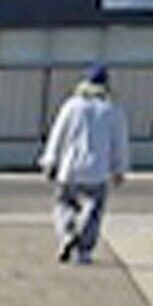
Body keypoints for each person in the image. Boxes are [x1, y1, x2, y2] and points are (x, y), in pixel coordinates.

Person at [40, 65, 130, 265]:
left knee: (63, 204)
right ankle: (84, 250)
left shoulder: (72, 106)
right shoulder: (112, 109)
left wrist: (50, 161)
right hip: (97, 170)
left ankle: (67, 234)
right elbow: (119, 142)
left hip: (70, 169)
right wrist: (119, 169)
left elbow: (58, 134)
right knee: (93, 210)